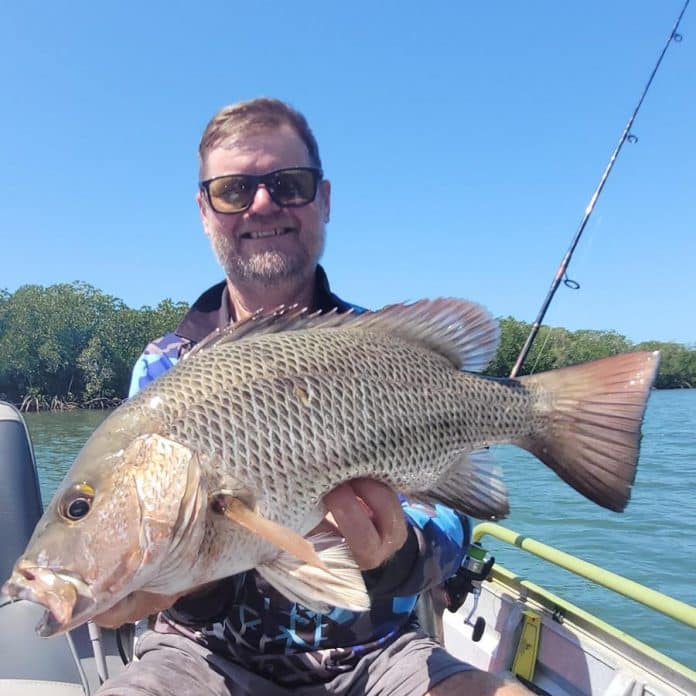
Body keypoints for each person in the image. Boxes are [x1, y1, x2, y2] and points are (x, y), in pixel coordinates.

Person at [95, 98, 530, 696]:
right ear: (204, 211)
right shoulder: (166, 368)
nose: (263, 204)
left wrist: (397, 554)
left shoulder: (381, 347)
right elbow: (177, 570)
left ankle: (544, 410)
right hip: (201, 658)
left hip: (377, 655)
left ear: (323, 200)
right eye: (233, 190)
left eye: (288, 184)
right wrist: (180, 579)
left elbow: (455, 524)